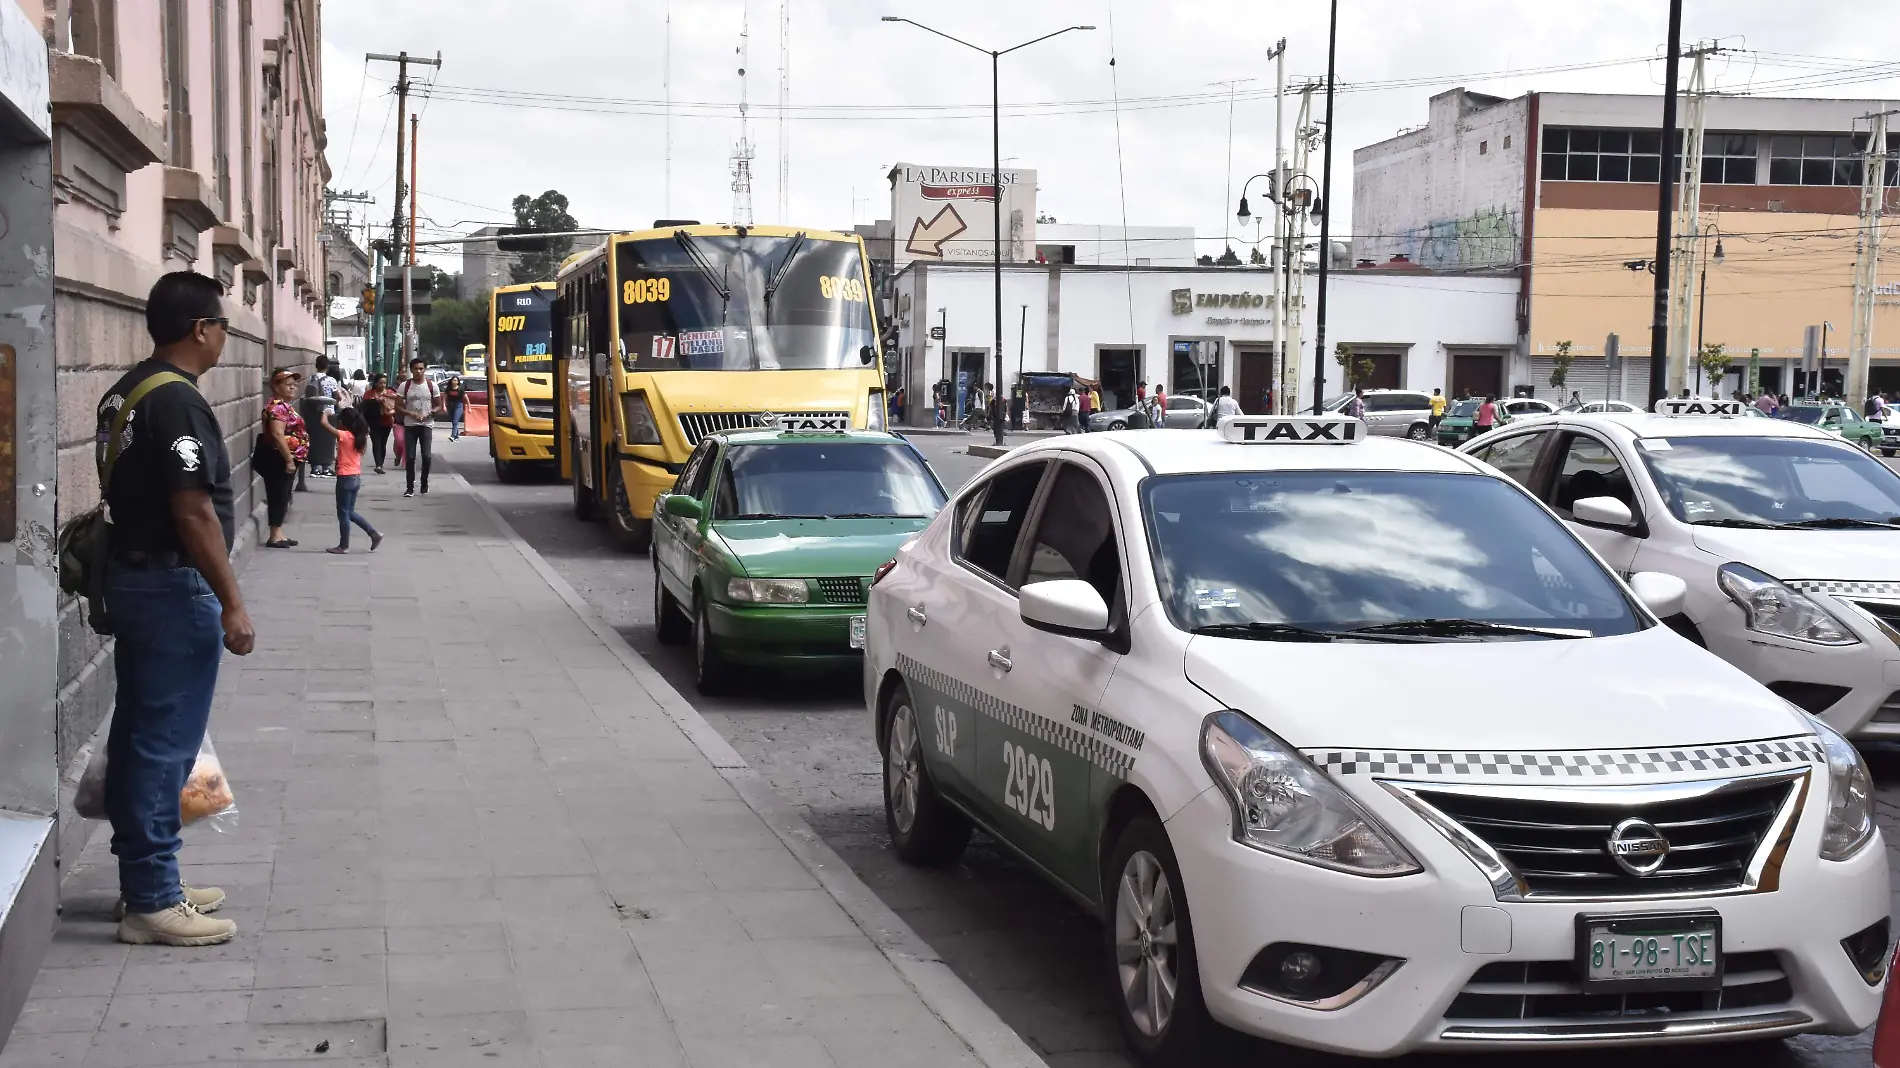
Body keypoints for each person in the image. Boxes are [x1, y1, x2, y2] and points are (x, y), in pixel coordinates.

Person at [93, 270, 253, 947]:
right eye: (221, 327)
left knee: (138, 736)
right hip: (169, 588)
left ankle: (145, 881)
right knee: (164, 747)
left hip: (132, 581)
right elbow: (192, 511)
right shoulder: (179, 403)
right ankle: (153, 899)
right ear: (200, 330)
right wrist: (233, 602)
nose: (222, 338)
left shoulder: (125, 390)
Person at [320, 405, 383, 554]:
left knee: (343, 513)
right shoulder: (360, 436)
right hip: (355, 477)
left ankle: (344, 545)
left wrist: (326, 412)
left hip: (345, 477)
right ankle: (373, 533)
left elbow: (324, 424)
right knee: (349, 512)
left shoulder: (345, 436)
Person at [258, 369, 308, 548]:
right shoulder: (278, 407)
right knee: (278, 495)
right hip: (278, 459)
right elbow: (278, 434)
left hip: (284, 458)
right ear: (276, 387)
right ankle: (274, 535)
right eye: (288, 385)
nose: (293, 387)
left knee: (283, 495)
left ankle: (279, 533)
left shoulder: (284, 405)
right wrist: (288, 460)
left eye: (295, 384)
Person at [396, 358, 441, 497]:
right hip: (410, 424)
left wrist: (431, 413)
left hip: (426, 425)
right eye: (415, 369)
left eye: (421, 369)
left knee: (426, 456)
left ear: (425, 370)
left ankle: (424, 482)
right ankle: (410, 487)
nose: (418, 371)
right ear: (411, 370)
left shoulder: (431, 385)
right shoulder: (405, 385)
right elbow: (397, 405)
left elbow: (439, 405)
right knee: (410, 457)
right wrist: (410, 413)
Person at [361, 373, 397, 474]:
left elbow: (397, 405)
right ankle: (378, 465)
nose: (382, 385)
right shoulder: (369, 393)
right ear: (375, 383)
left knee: (383, 443)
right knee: (376, 443)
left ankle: (380, 463)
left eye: (384, 383)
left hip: (386, 422)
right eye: (380, 383)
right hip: (373, 422)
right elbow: (364, 407)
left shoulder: (390, 393)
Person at [444, 373, 466, 441]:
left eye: (456, 380)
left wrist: (469, 407)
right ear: (451, 381)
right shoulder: (448, 389)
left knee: (455, 421)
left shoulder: (460, 389)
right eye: (453, 380)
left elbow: (466, 398)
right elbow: (444, 398)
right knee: (453, 422)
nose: (454, 381)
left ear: (458, 382)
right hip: (450, 406)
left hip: (458, 406)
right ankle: (456, 437)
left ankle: (453, 436)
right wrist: (444, 405)